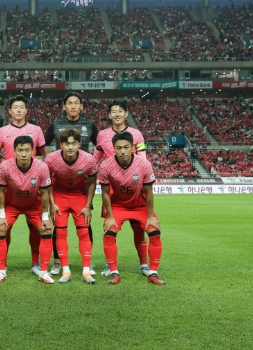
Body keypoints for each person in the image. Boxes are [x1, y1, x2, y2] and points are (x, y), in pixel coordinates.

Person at [93, 100, 154, 278]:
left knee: (138, 227)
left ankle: (143, 264)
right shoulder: (102, 135)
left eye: (121, 111)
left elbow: (143, 158)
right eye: (114, 111)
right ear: (109, 115)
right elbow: (96, 157)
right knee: (110, 226)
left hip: (133, 184)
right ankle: (109, 265)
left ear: (126, 114)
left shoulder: (136, 134)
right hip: (111, 185)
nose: (117, 114)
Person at [0, 95, 48, 276]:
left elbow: (46, 154)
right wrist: (5, 163)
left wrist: (40, 170)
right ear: (10, 110)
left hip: (31, 183)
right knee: (5, 227)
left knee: (35, 227)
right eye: (15, 107)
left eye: (22, 107)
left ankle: (35, 263)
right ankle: (2, 266)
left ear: (26, 110)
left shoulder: (36, 130)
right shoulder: (2, 131)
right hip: (10, 183)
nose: (19, 110)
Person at [98, 131, 165, 285]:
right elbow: (106, 194)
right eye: (119, 147)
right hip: (118, 206)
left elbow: (148, 192)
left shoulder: (143, 164)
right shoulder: (106, 165)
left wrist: (150, 216)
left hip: (139, 206)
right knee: (109, 234)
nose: (122, 151)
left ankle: (152, 273)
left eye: (126, 147)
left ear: (132, 147)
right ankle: (114, 272)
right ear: (113, 148)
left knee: (154, 233)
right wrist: (109, 216)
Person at [44, 91, 99, 275]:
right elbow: (43, 144)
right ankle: (57, 261)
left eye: (77, 103)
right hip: (60, 175)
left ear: (81, 106)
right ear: (64, 106)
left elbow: (100, 145)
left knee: (85, 223)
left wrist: (93, 161)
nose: (73, 106)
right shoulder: (56, 124)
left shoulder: (89, 124)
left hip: (81, 178)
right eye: (70, 103)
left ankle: (88, 263)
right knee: (58, 225)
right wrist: (51, 162)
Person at [0, 135, 53, 284]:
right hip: (11, 205)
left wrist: (45, 216)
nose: (24, 154)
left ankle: (42, 271)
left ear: (33, 150)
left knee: (46, 230)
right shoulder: (5, 166)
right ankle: (1, 269)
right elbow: (0, 191)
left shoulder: (42, 167)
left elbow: (45, 193)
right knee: (0, 229)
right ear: (14, 151)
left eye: (27, 150)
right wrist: (1, 214)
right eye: (20, 150)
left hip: (34, 205)